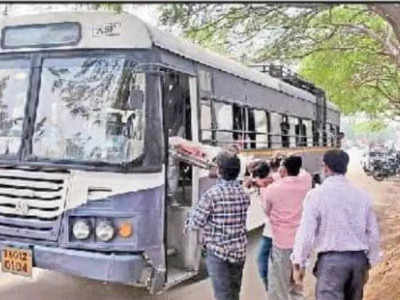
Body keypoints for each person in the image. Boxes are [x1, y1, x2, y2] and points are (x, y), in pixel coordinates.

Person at [291, 150, 381, 300]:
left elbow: (306, 232)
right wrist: (370, 261)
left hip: (331, 264)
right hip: (358, 263)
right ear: (345, 167)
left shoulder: (316, 195)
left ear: (326, 168)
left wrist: (299, 261)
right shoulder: (362, 195)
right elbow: (373, 233)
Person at [185, 151, 250, 300]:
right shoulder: (244, 193)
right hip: (239, 252)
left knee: (222, 294)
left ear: (220, 171)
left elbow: (197, 222)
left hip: (218, 253)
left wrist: (188, 220)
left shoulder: (212, 194)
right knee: (234, 292)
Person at [261, 156, 312, 300]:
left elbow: (266, 210)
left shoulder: (272, 189)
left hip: (282, 244)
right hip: (301, 244)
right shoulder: (306, 180)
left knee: (278, 285)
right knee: (296, 283)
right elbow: (301, 172)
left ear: (283, 169)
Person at [251, 162, 274, 291]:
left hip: (274, 231)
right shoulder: (269, 184)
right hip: (269, 231)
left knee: (262, 259)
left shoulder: (271, 189)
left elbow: (267, 210)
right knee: (263, 259)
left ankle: (269, 286)